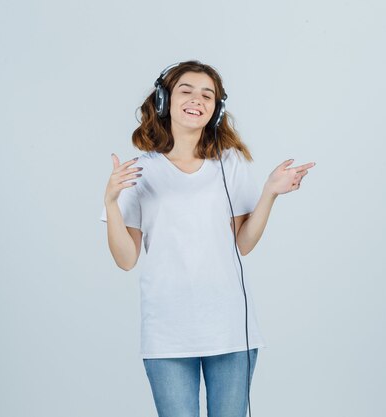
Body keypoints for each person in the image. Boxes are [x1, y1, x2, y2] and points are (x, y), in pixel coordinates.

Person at [101, 60, 315, 417]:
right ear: (163, 100)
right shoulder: (141, 171)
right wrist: (110, 202)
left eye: (207, 95)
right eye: (186, 90)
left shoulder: (230, 162)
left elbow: (242, 243)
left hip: (229, 328)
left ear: (216, 110)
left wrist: (269, 194)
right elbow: (125, 259)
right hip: (167, 332)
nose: (196, 99)